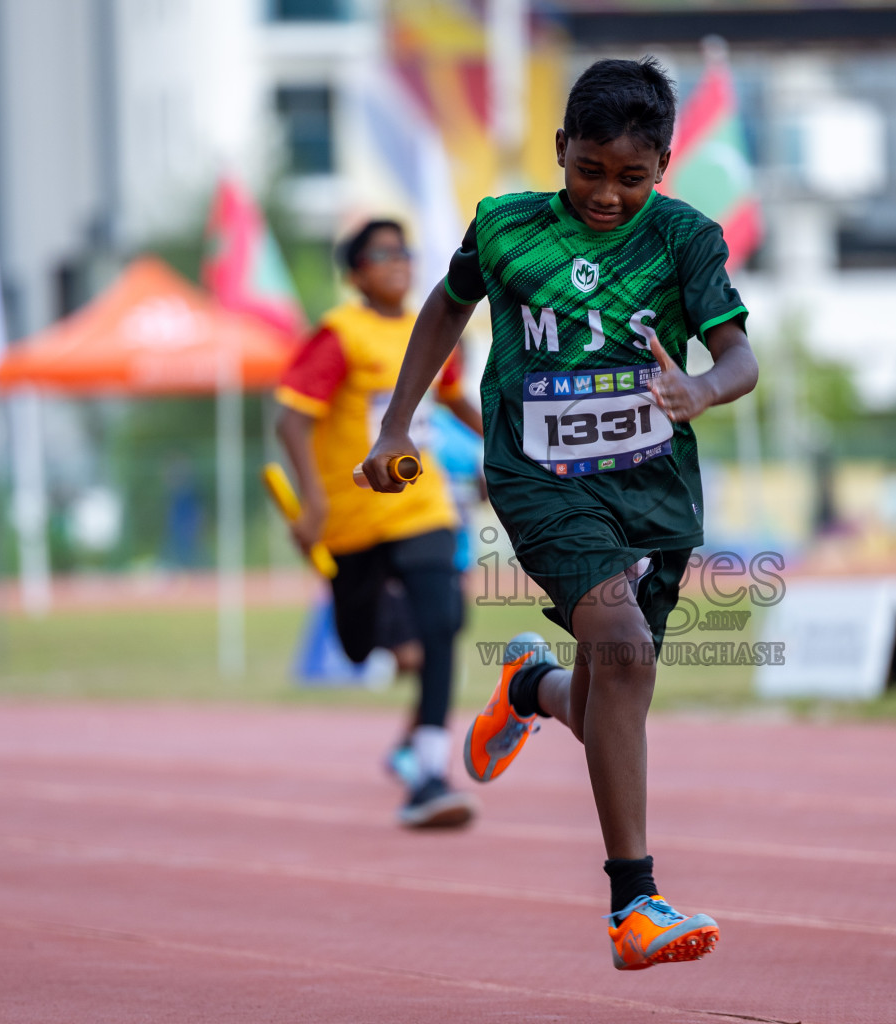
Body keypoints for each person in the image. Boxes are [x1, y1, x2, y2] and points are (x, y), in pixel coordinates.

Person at [361, 57, 758, 969]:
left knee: (609, 689)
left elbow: (741, 357)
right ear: (560, 151)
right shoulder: (506, 228)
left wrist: (700, 388)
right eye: (590, 171)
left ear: (662, 166)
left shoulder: (685, 241)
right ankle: (635, 903)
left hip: (653, 490)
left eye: (632, 178)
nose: (608, 196)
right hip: (539, 476)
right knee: (625, 653)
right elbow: (443, 310)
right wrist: (395, 423)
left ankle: (528, 690)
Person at [275, 217, 484, 829]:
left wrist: (507, 442)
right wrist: (313, 503)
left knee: (443, 624)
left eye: (403, 251)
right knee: (358, 641)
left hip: (423, 507)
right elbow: (291, 420)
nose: (397, 261)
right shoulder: (341, 335)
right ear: (355, 272)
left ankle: (428, 773)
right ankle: (401, 672)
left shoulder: (432, 329)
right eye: (380, 253)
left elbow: (449, 396)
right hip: (354, 515)